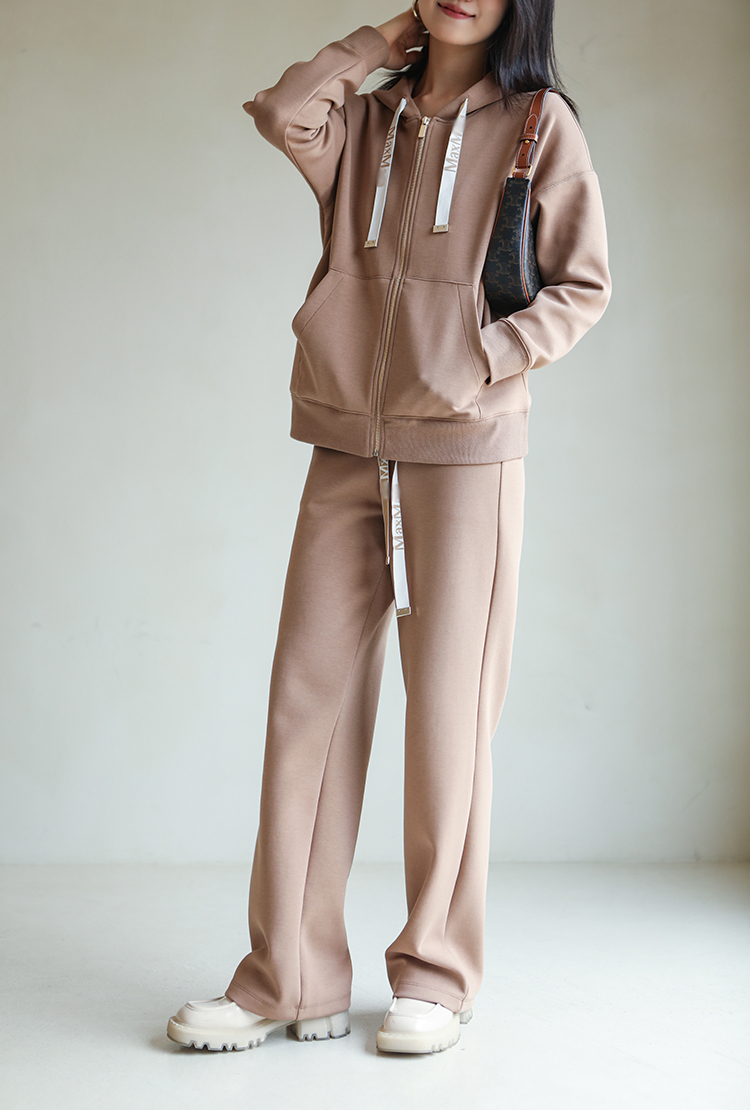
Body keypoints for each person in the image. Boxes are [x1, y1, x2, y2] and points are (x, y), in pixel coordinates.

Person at [167, 0, 611, 1055]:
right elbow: (283, 111)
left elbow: (582, 286)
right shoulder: (367, 119)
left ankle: (437, 975)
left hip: (465, 454)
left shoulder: (538, 124)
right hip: (346, 443)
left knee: (451, 716)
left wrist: (481, 360)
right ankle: (291, 977)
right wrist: (380, 44)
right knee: (306, 710)